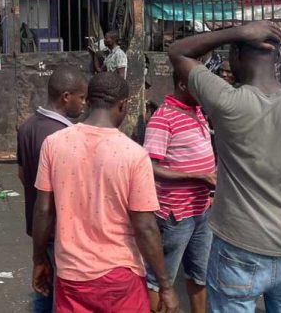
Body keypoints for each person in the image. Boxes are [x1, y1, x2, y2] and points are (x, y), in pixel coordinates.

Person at [168, 20, 281, 312]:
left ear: (236, 56)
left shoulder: (226, 102)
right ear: (278, 59)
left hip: (237, 250)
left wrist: (238, 33)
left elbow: (179, 52)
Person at [32, 73, 179, 313]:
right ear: (123, 105)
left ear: (88, 101)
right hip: (120, 276)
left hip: (71, 274)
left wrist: (39, 259)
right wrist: (165, 285)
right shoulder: (134, 155)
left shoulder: (53, 143)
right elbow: (145, 227)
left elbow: (43, 210)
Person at [143, 72, 216, 313]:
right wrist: (196, 177)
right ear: (183, 85)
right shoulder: (162, 118)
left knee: (199, 274)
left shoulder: (197, 111)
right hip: (175, 215)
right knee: (160, 279)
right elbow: (149, 167)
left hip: (202, 209)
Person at [17, 66, 87, 313]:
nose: (84, 104)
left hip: (38, 227)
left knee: (44, 287)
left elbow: (22, 175)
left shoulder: (27, 127)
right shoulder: (65, 136)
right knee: (64, 294)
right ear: (66, 97)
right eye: (82, 97)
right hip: (60, 229)